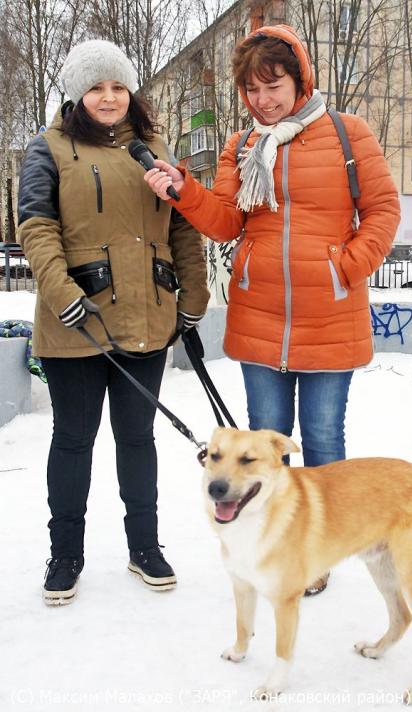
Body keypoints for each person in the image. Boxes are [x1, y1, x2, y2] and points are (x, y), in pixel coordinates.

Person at [144, 25, 400, 594]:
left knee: (324, 441)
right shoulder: (241, 146)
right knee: (264, 446)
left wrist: (345, 268)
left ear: (299, 80)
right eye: (252, 90)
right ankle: (280, 546)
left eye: (274, 85)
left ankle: (319, 552)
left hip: (330, 316)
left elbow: (383, 209)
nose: (263, 100)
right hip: (260, 319)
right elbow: (225, 221)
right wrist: (184, 191)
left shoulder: (347, 133)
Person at [17, 40, 209, 605]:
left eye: (118, 86)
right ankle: (65, 554)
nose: (108, 97)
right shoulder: (48, 148)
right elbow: (36, 226)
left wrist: (193, 296)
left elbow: (183, 226)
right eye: (96, 87)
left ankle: (144, 546)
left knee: (137, 439)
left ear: (131, 91)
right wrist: (61, 293)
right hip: (76, 323)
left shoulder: (155, 148)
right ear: (78, 94)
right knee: (73, 440)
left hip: (146, 317)